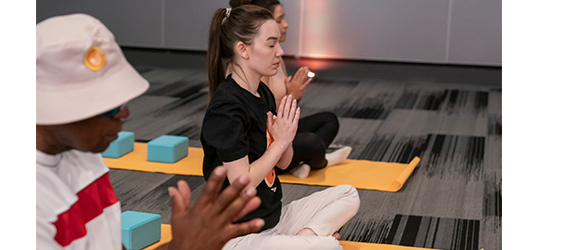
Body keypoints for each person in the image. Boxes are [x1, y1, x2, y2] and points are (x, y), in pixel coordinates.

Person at [36, 13, 263, 250]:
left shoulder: (84, 155)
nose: (124, 114)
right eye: (109, 106)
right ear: (52, 106)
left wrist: (180, 245)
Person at [201, 5, 360, 250]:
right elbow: (241, 181)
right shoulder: (226, 109)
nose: (281, 51)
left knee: (349, 194)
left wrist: (283, 137)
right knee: (330, 247)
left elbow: (284, 163)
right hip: (237, 236)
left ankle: (302, 239)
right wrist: (282, 142)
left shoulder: (261, 93)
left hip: (272, 222)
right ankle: (310, 242)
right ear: (243, 49)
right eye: (271, 44)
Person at [229, 0, 352, 178]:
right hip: (264, 144)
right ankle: (319, 160)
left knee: (329, 120)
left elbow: (277, 109)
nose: (285, 25)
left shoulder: (275, 59)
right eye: (280, 20)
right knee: (312, 142)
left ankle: (302, 163)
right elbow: (264, 119)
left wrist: (293, 94)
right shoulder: (257, 67)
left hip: (277, 132)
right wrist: (292, 95)